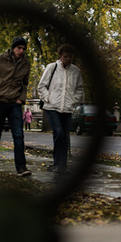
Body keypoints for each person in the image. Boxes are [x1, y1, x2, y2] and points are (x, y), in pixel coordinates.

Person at [0, 36, 32, 176]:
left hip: (14, 104)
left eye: (23, 48)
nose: (21, 51)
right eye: (19, 48)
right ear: (13, 48)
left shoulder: (26, 64)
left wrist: (21, 100)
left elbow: (25, 84)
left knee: (18, 135)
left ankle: (21, 167)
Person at [38, 44, 84, 174]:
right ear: (60, 56)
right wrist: (48, 98)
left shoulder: (76, 71)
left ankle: (61, 165)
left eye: (70, 56)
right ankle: (58, 163)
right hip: (52, 107)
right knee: (58, 132)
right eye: (65, 56)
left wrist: (74, 101)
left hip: (67, 108)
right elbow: (41, 86)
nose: (68, 59)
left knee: (65, 136)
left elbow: (80, 88)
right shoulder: (52, 68)